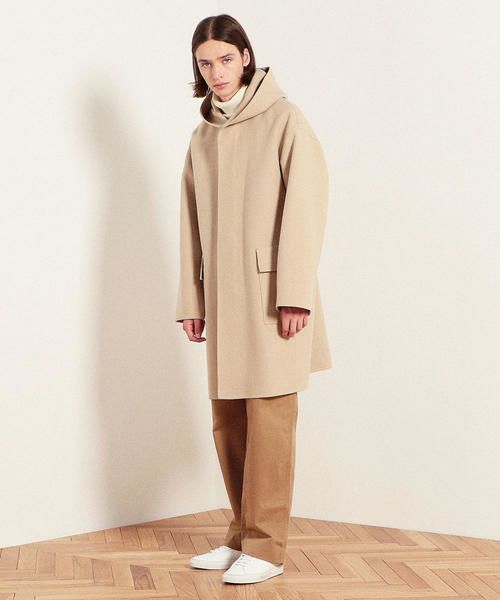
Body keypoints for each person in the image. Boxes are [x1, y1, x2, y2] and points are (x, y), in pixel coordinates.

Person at [175, 14, 332, 584]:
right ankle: (242, 536)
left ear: (245, 56)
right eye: (205, 63)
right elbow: (189, 223)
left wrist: (294, 294)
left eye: (224, 59)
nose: (215, 72)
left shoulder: (285, 119)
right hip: (223, 298)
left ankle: (267, 547)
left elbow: (307, 208)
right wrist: (191, 301)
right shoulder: (203, 136)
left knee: (270, 421)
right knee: (229, 422)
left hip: (271, 298)